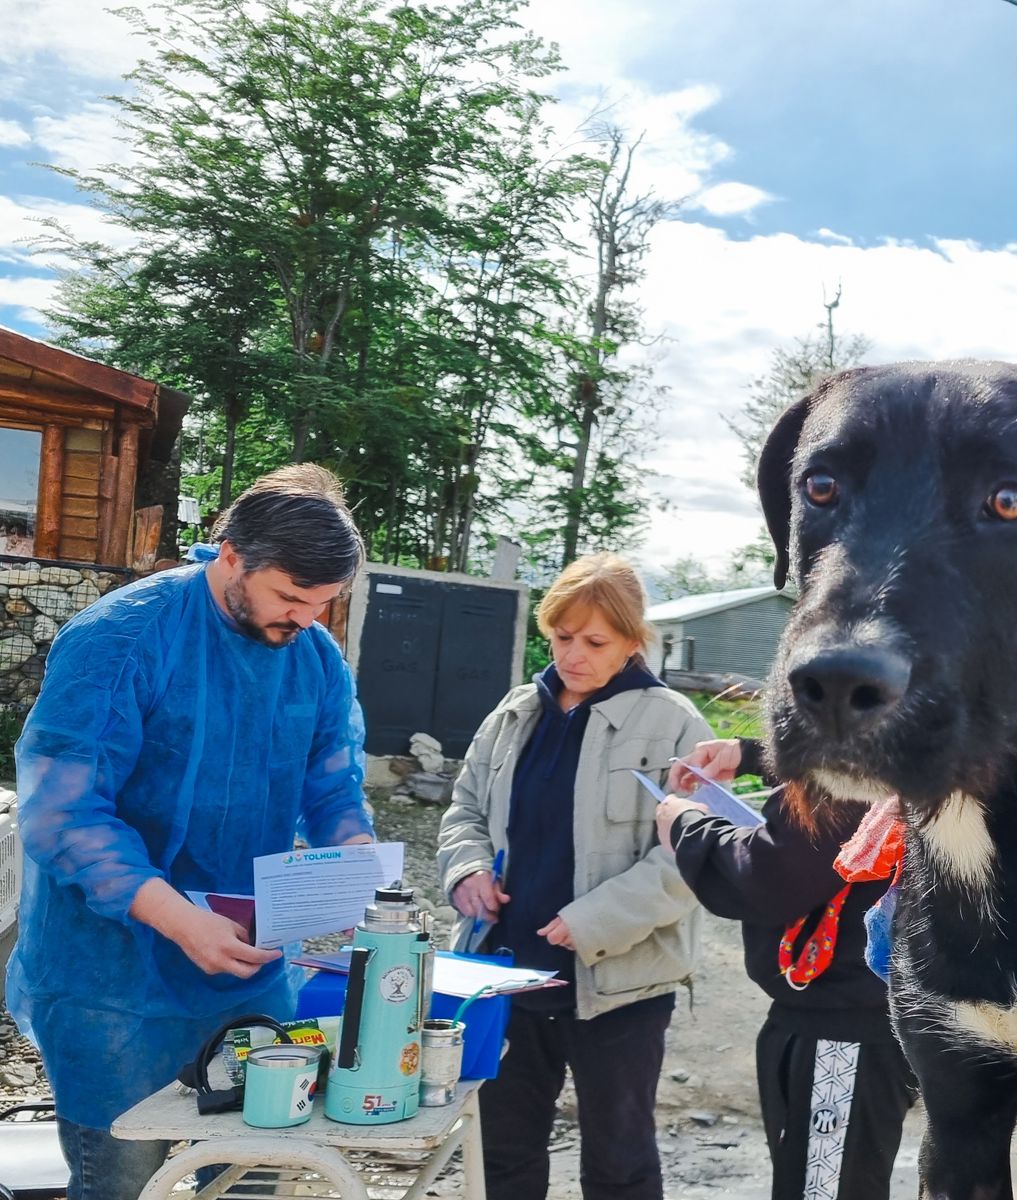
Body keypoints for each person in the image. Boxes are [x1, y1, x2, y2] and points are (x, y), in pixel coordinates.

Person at [6, 464, 373, 1200]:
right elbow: (62, 810)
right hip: (111, 976)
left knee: (250, 1170)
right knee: (125, 1178)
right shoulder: (123, 637)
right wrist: (176, 917)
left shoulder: (313, 658)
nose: (304, 620)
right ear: (231, 553)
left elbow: (332, 783)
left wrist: (353, 858)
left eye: (323, 606)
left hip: (246, 963)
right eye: (291, 598)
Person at [436, 553, 711, 1200]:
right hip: (503, 977)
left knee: (621, 1167)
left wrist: (592, 922)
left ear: (632, 643)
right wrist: (466, 870)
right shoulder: (513, 714)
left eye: (595, 642)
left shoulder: (676, 724)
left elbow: (692, 858)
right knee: (502, 1153)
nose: (574, 655)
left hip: (620, 990)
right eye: (562, 638)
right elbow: (464, 809)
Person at [658, 738, 917, 1200]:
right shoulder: (885, 737)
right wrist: (756, 756)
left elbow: (773, 876)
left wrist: (687, 827)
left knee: (825, 1190)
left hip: (845, 1027)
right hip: (851, 1014)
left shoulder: (863, 755)